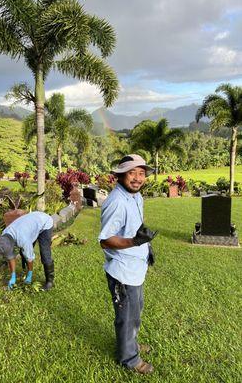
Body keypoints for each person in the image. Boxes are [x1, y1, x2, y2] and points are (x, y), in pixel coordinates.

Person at [98, 154, 157, 375]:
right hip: (122, 272)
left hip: (136, 267)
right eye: (132, 173)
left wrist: (146, 247)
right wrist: (134, 242)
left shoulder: (136, 196)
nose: (137, 178)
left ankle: (130, 344)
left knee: (136, 312)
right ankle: (129, 358)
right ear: (121, 175)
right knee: (127, 316)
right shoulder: (116, 202)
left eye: (141, 173)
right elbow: (105, 241)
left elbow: (135, 227)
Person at [0, 211, 54, 291]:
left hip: (45, 222)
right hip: (32, 222)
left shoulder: (23, 240)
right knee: (23, 252)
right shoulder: (4, 234)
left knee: (45, 254)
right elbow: (10, 257)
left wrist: (29, 274)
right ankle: (25, 268)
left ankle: (50, 282)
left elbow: (30, 257)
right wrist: (13, 276)